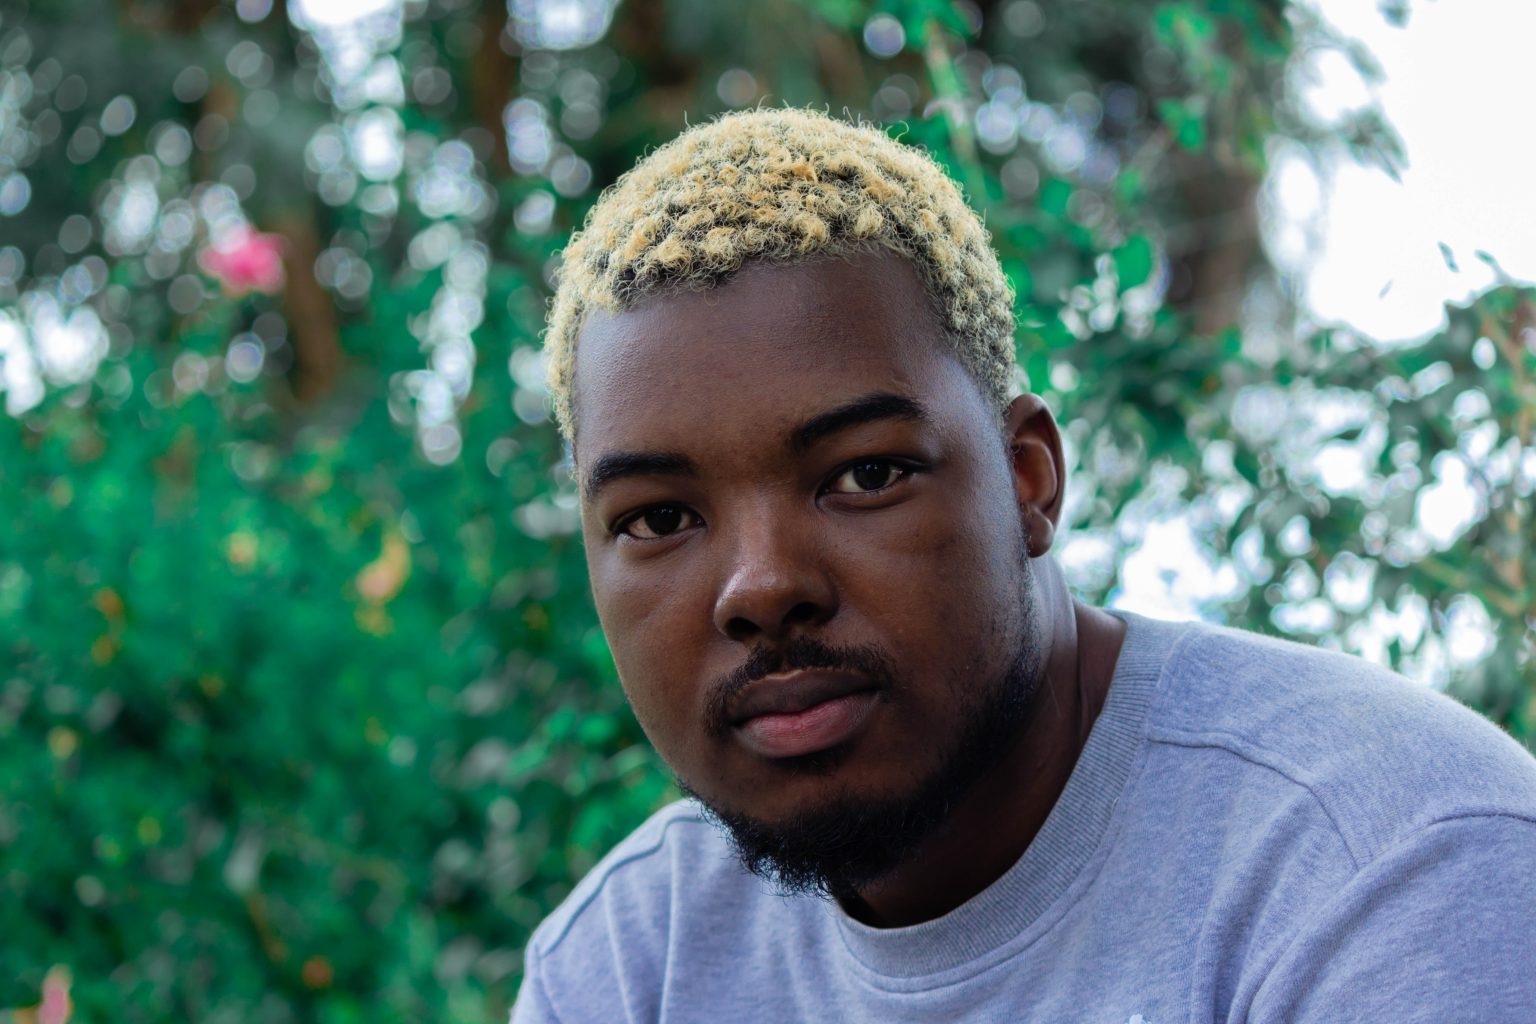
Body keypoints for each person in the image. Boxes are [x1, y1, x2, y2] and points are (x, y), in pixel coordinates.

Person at [511, 108, 1536, 1023]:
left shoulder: (1386, 869)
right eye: (658, 519)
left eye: (866, 474)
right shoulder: (628, 967)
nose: (763, 586)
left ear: (1028, 478)